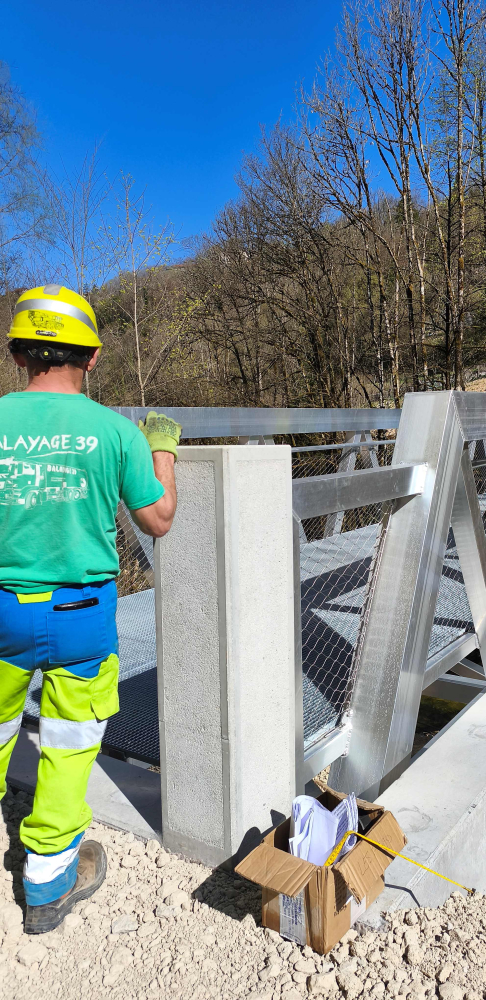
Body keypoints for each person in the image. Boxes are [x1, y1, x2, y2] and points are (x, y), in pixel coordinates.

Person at [0, 285, 181, 934]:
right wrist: (160, 447)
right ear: (94, 358)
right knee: (70, 745)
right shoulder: (115, 432)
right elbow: (159, 517)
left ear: (19, 353)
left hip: (1, 613)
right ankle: (47, 883)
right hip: (81, 617)